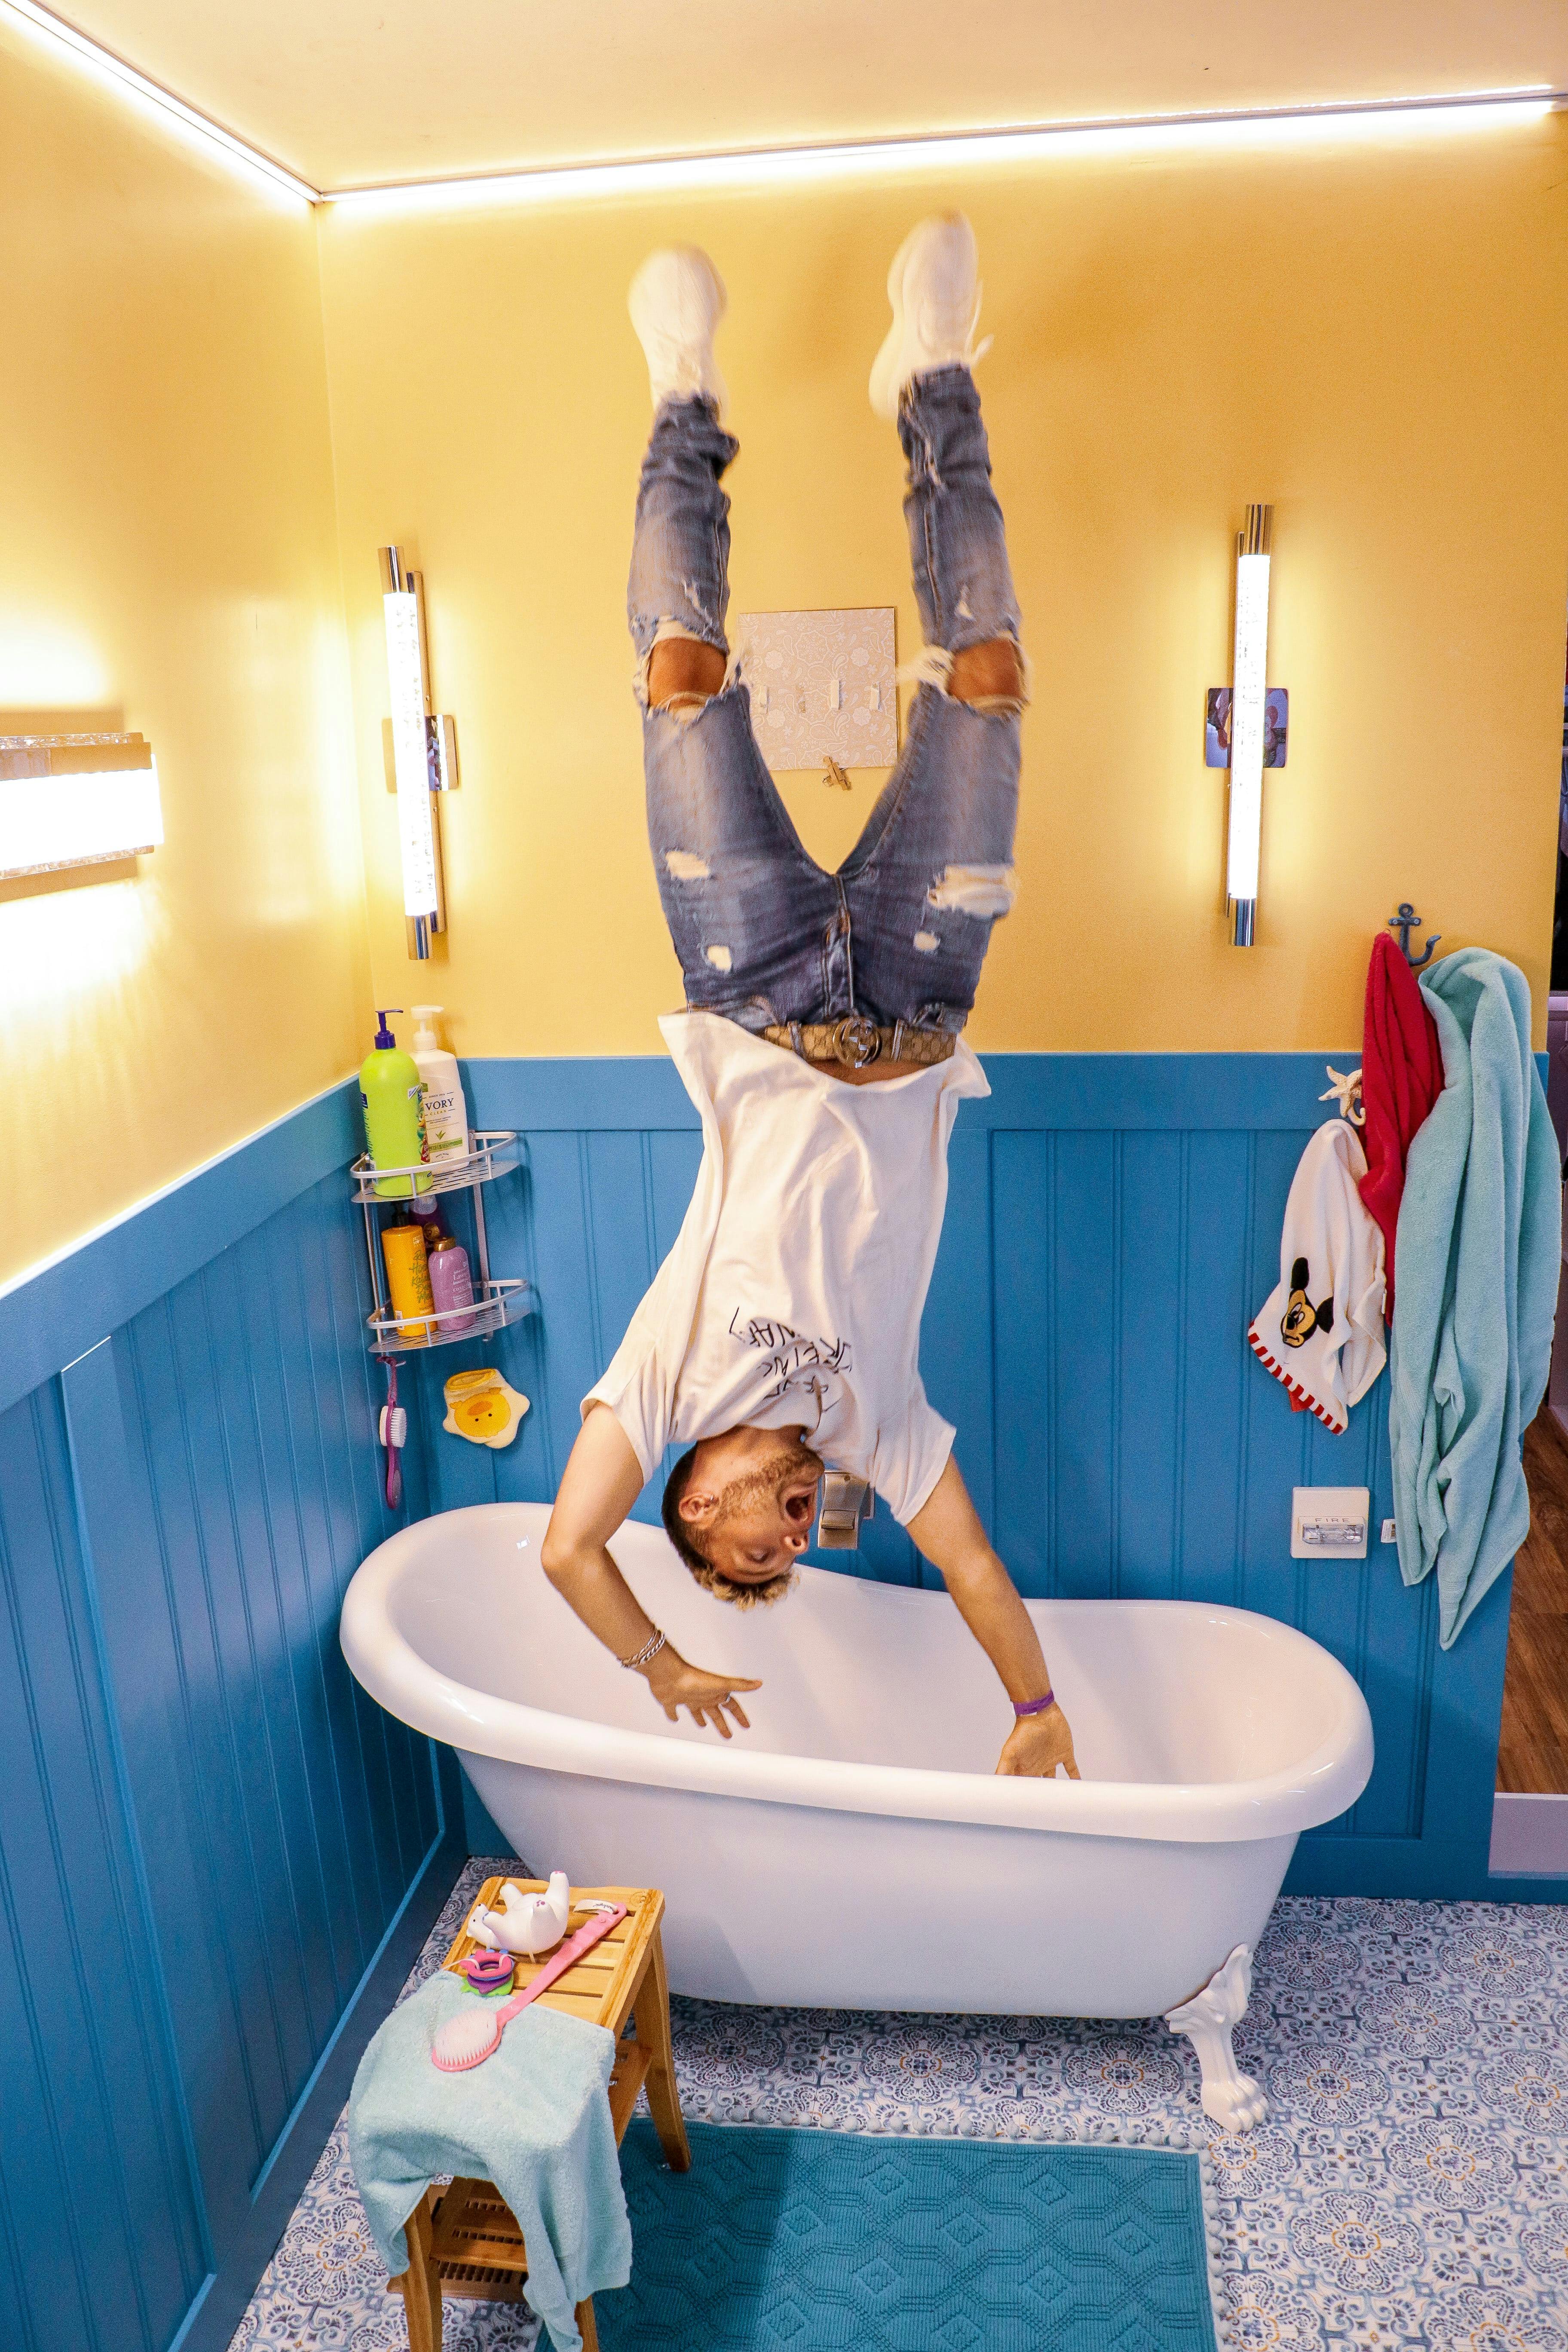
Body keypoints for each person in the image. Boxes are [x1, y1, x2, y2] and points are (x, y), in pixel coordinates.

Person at [540, 215, 1079, 1781]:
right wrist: (1036, 1713)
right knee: (989, 677)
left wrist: (659, 1663)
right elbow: (975, 1571)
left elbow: (571, 1552)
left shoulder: (660, 1379)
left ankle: (683, 404)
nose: (798, 1540)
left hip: (755, 983)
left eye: (761, 1555)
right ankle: (931, 383)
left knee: (680, 686)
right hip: (921, 995)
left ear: (697, 1505)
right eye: (796, 1558)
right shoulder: (880, 1428)